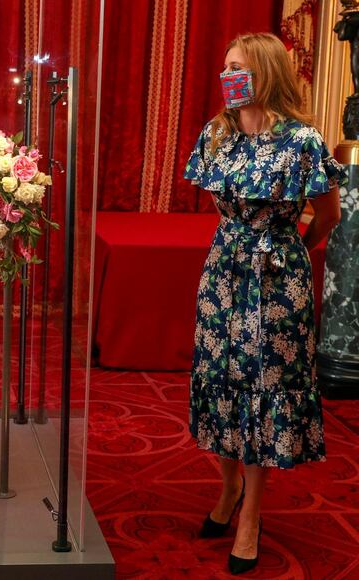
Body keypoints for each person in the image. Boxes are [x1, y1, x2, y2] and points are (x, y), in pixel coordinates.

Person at [183, 32, 346, 574]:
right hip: (224, 269)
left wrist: (290, 247)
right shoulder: (216, 134)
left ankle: (251, 514)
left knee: (263, 389)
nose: (229, 75)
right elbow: (217, 202)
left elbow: (328, 215)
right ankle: (228, 490)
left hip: (277, 278)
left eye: (241, 67)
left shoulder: (301, 140)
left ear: (267, 73)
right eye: (226, 65)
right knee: (222, 382)